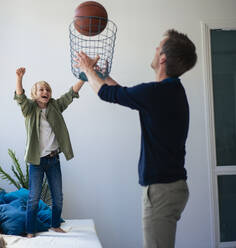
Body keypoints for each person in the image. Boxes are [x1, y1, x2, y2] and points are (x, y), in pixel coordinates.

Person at [75, 29, 197, 248]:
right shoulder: (168, 92)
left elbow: (106, 94)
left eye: (158, 47)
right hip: (170, 188)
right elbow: (121, 92)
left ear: (162, 58)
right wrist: (97, 74)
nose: (155, 49)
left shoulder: (158, 93)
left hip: (162, 190)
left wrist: (86, 69)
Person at [14, 67, 85, 238]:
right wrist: (19, 78)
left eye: (48, 89)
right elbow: (20, 97)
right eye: (41, 89)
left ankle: (55, 225)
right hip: (36, 161)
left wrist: (83, 77)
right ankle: (30, 230)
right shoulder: (29, 109)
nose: (45, 92)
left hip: (53, 160)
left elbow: (70, 95)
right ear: (35, 93)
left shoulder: (55, 106)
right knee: (33, 198)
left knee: (58, 196)